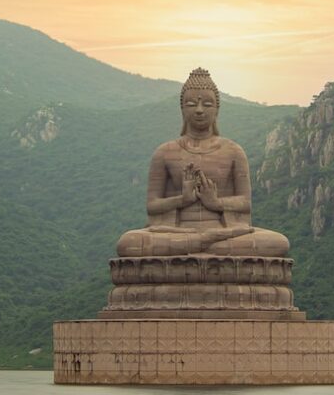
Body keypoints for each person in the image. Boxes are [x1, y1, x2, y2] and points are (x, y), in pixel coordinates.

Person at [116, 68, 290, 257]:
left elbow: (245, 202)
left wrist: (216, 202)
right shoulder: (164, 152)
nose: (199, 110)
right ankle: (205, 245)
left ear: (217, 109)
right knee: (129, 243)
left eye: (207, 104)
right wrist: (183, 199)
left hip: (224, 233)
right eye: (191, 104)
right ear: (182, 109)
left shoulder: (233, 151)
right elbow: (153, 205)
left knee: (277, 243)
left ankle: (197, 246)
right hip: (177, 232)